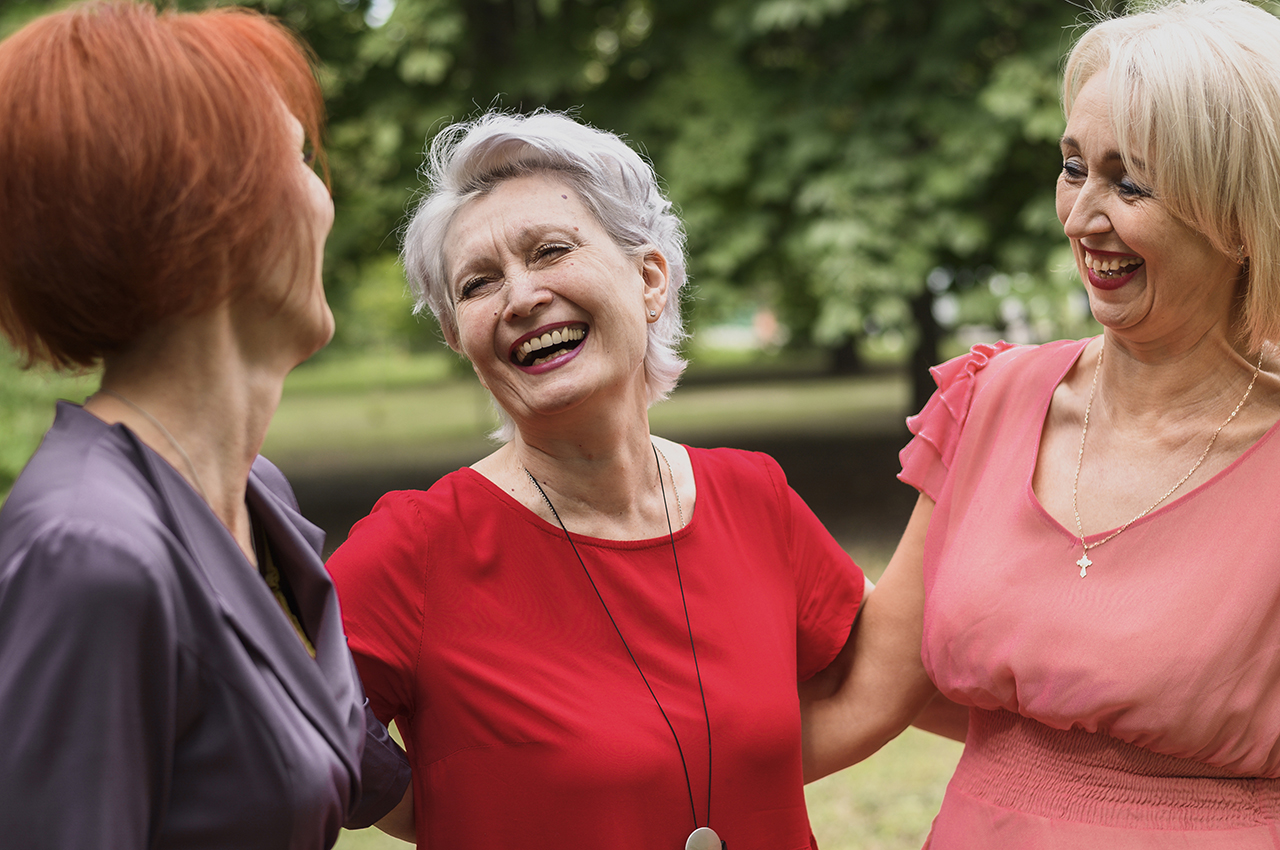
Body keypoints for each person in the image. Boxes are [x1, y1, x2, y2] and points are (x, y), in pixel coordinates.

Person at [324, 108, 869, 850]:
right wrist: (449, 807)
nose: (519, 298)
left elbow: (893, 672)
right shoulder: (417, 547)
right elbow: (285, 731)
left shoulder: (753, 497)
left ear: (650, 279)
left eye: (550, 250)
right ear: (458, 336)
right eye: (478, 283)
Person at [803, 0, 1280, 846]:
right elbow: (867, 695)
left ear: (1240, 213)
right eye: (1073, 167)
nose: (1080, 216)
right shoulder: (991, 402)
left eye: (1129, 182)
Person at [0, 3, 412, 847]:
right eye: (301, 160)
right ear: (213, 219)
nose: (327, 201)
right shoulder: (90, 553)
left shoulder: (255, 494)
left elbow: (343, 765)